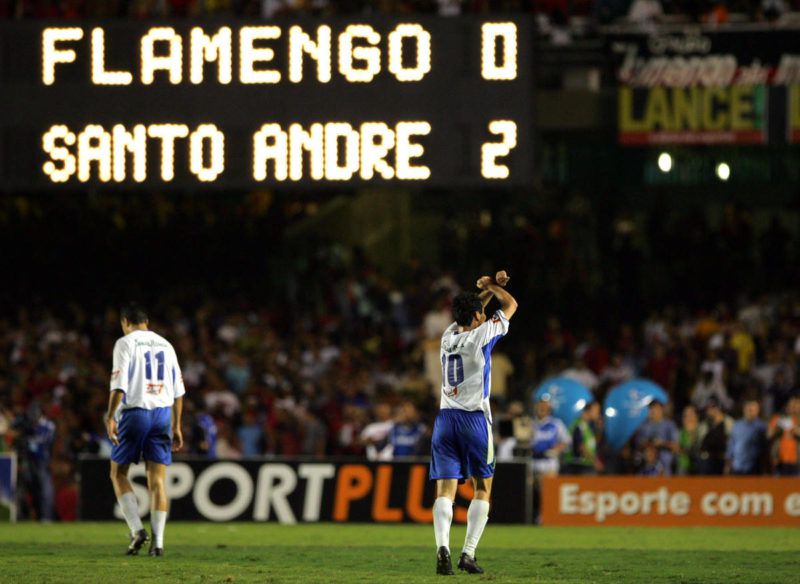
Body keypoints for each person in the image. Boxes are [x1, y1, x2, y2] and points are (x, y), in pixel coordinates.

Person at [429, 270, 517, 576]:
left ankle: (443, 548)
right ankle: (467, 553)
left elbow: (469, 309)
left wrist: (483, 291)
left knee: (445, 492)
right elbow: (512, 306)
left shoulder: (447, 336)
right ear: (478, 317)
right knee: (483, 488)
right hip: (474, 420)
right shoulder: (480, 336)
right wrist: (493, 286)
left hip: (445, 420)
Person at [107, 303, 185, 557]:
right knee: (158, 481)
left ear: (125, 322)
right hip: (163, 414)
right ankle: (159, 544)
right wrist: (177, 424)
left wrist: (110, 416)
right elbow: (179, 391)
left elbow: (119, 385)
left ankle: (137, 530)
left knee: (118, 473)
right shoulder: (167, 345)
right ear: (147, 321)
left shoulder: (125, 342)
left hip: (136, 412)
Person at [636, 401, 679, 475]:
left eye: (656, 408)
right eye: (651, 409)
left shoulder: (670, 425)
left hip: (665, 462)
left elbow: (676, 446)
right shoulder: (645, 426)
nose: (653, 411)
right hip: (648, 463)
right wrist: (648, 444)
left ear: (662, 410)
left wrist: (662, 443)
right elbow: (638, 444)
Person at [726, 398, 767, 475]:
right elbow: (731, 444)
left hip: (754, 467)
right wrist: (728, 463)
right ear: (744, 409)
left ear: (758, 411)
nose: (750, 411)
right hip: (737, 466)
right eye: (748, 409)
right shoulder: (737, 425)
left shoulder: (761, 427)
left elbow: (764, 449)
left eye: (753, 409)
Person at [563, 400, 601, 475]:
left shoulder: (587, 426)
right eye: (597, 410)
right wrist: (595, 461)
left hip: (584, 464)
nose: (598, 414)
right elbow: (580, 446)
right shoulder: (579, 425)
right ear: (588, 410)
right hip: (578, 466)